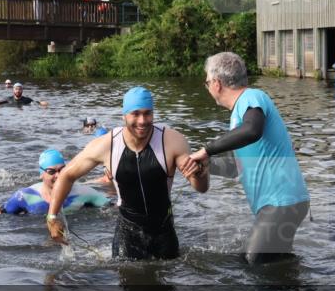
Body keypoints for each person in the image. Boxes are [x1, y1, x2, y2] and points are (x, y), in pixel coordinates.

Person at [47, 87, 209, 260]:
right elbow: (66, 175)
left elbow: (201, 188)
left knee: (167, 285)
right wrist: (52, 217)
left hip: (164, 230)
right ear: (124, 115)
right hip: (127, 232)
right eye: (135, 114)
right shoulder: (106, 145)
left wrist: (201, 172)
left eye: (148, 113)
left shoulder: (172, 141)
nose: (142, 121)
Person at [181, 52, 310, 265]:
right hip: (281, 203)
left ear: (216, 83)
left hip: (281, 202)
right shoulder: (238, 114)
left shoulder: (252, 97)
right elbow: (236, 168)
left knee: (254, 263)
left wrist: (206, 150)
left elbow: (253, 130)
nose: (207, 88)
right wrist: (206, 165)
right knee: (271, 265)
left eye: (207, 83)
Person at [0, 149, 109, 215]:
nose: (58, 175)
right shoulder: (25, 196)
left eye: (61, 170)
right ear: (41, 174)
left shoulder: (83, 193)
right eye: (51, 171)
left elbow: (113, 208)